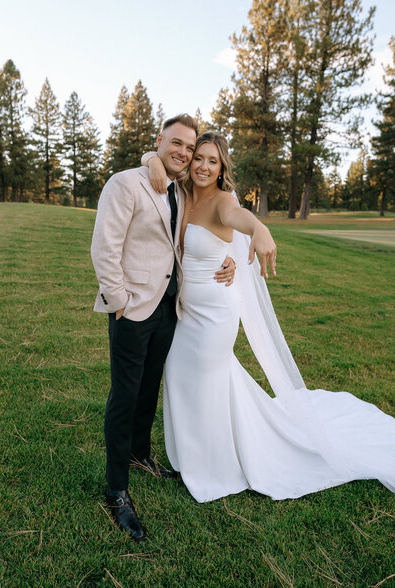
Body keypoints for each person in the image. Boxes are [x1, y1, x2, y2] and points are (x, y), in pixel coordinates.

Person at [142, 131, 395, 504]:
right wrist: (151, 159)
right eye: (199, 158)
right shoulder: (180, 191)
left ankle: (215, 467)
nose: (204, 166)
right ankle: (189, 456)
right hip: (184, 311)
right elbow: (157, 156)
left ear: (221, 167)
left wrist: (259, 229)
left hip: (215, 314)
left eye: (213, 161)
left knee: (207, 380)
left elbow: (238, 217)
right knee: (181, 377)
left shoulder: (223, 200)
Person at [90, 115, 242, 541]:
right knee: (124, 395)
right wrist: (119, 302)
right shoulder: (125, 183)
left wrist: (226, 256)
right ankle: (117, 490)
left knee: (149, 388)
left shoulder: (180, 186)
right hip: (132, 310)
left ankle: (141, 455)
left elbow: (217, 223)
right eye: (176, 144)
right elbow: (105, 248)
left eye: (189, 148)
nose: (183, 153)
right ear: (159, 140)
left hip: (169, 310)